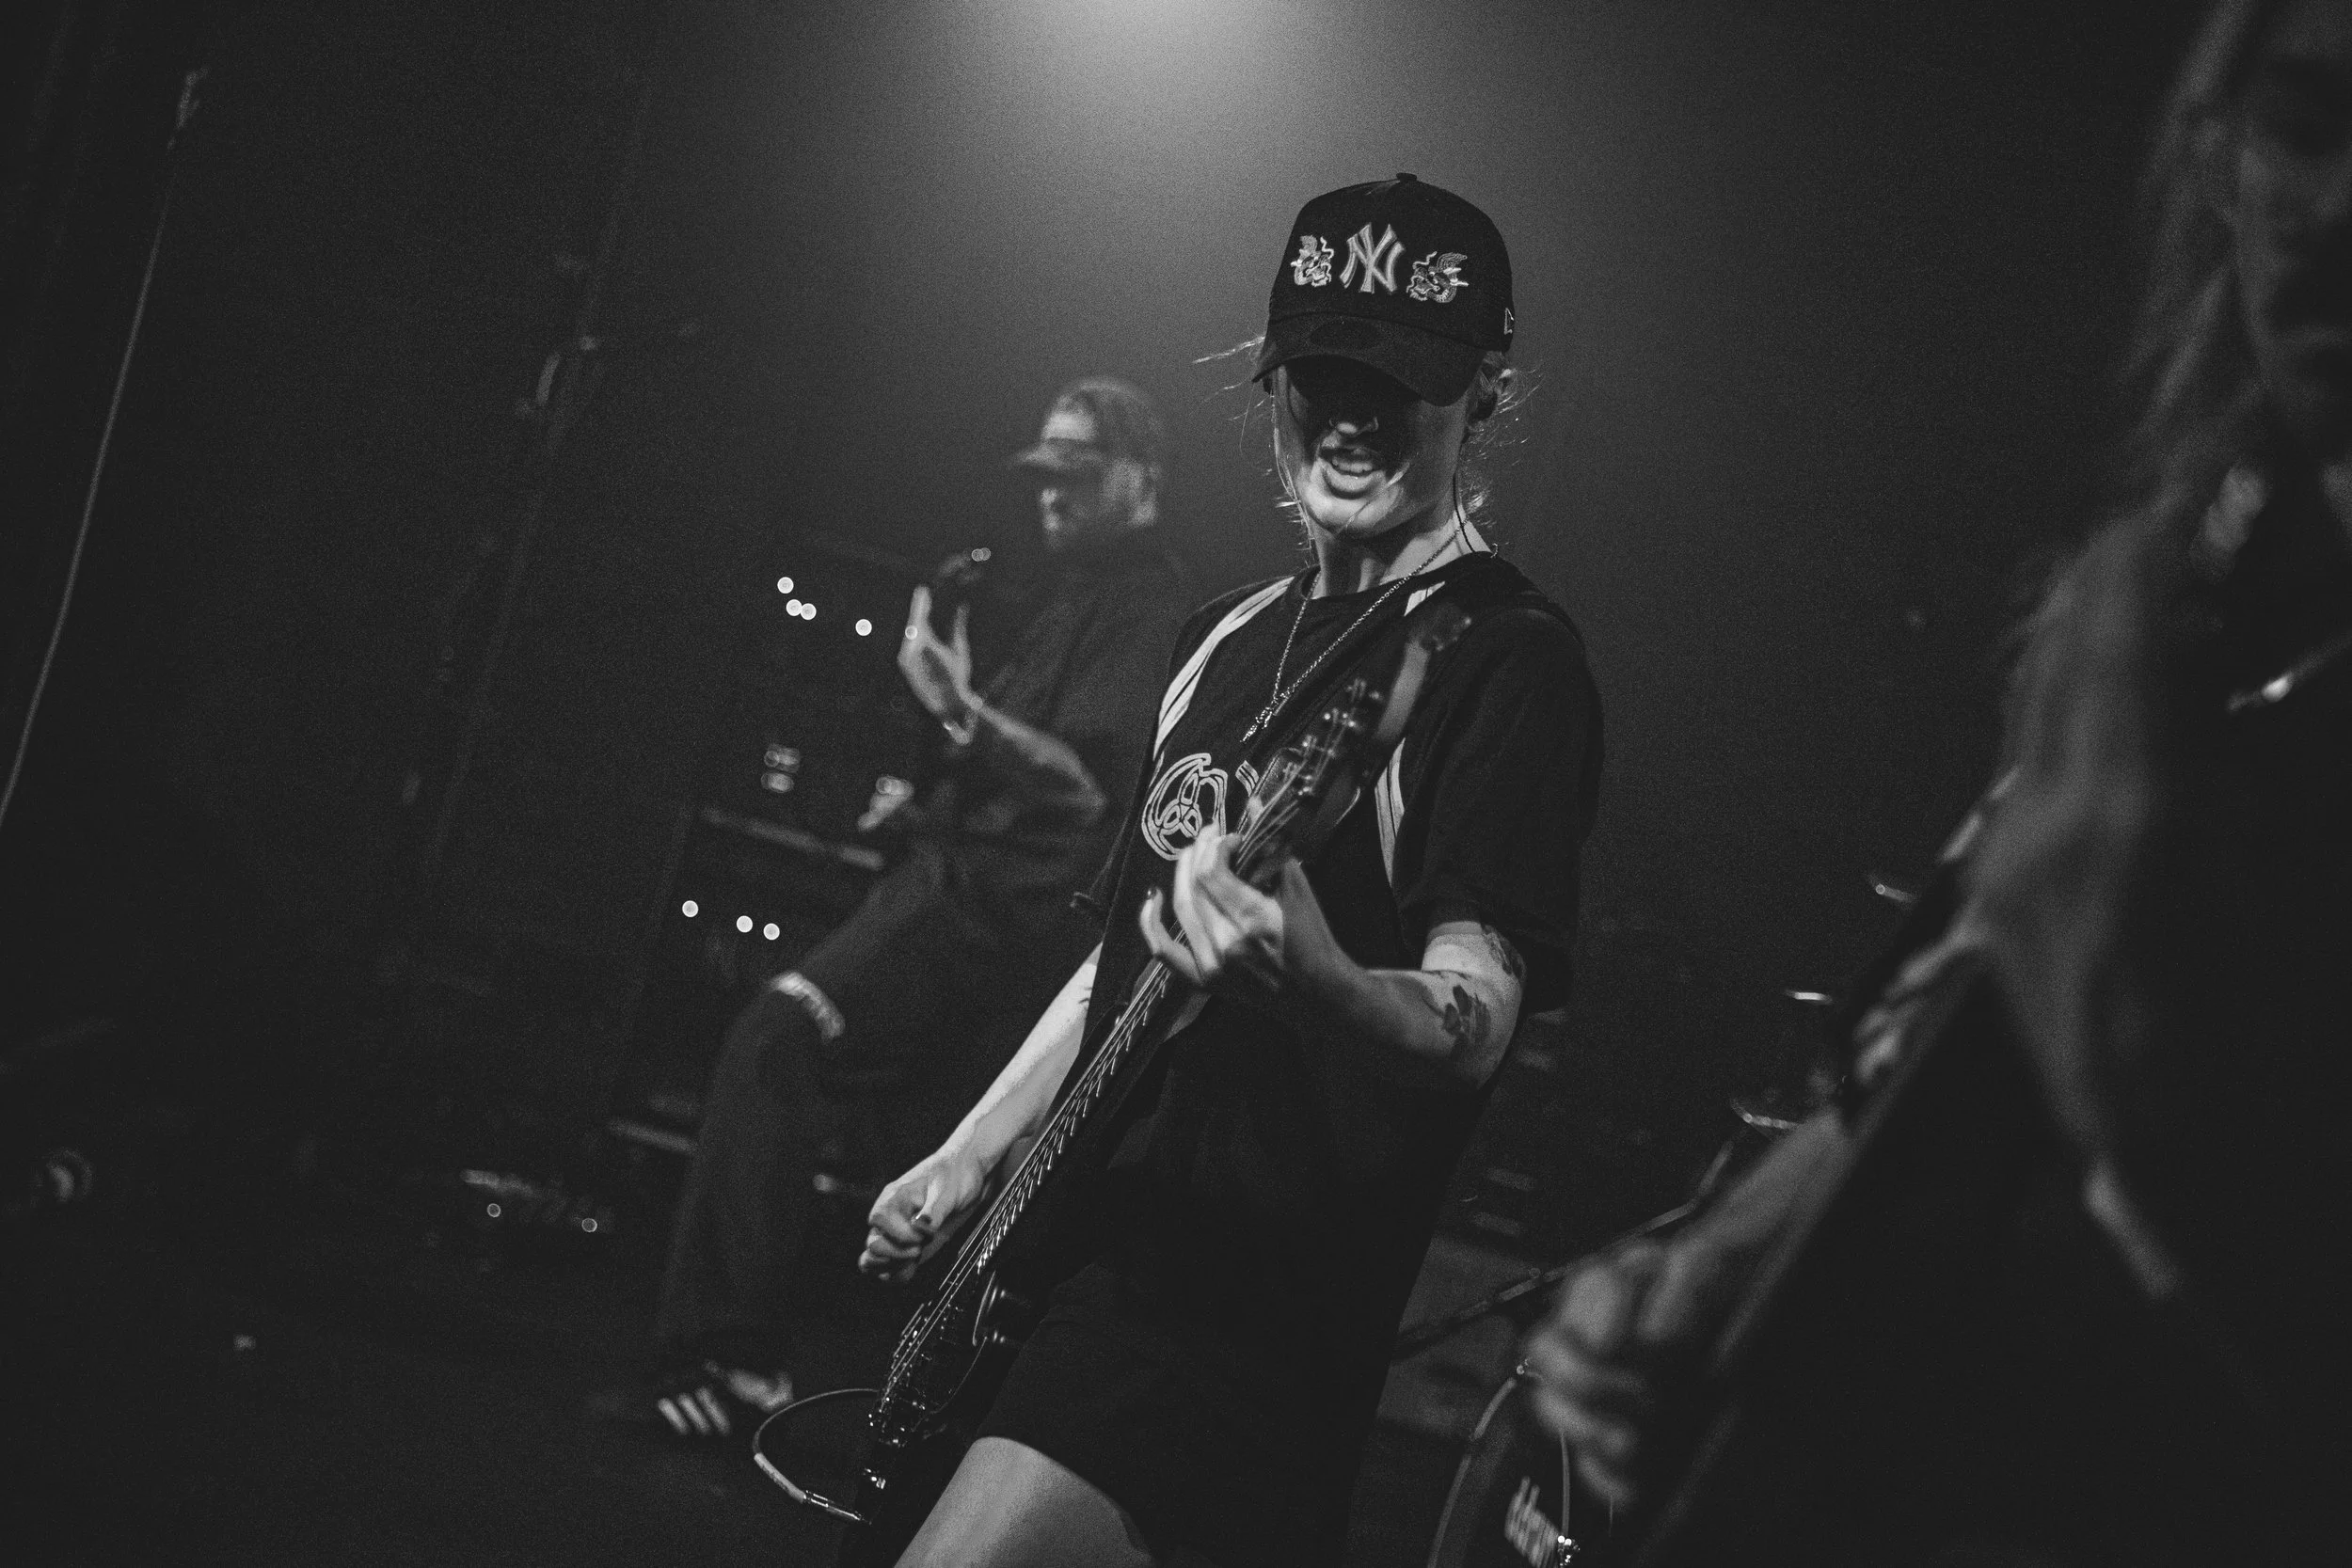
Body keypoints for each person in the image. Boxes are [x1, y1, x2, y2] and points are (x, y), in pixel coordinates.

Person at [1522, 4, 2352, 1561]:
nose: (2340, 207)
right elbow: (1968, 1028)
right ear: (2215, 157)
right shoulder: (2193, 582)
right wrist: (1709, 1269)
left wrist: (2147, 1052)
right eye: (2305, 126)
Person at [859, 175, 1603, 1568]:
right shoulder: (1220, 636)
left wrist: (1320, 977)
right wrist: (970, 1154)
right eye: (1325, 375)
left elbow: (1477, 1014)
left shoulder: (1504, 658)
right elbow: (1118, 960)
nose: (1354, 417)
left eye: (1401, 383)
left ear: (1487, 389)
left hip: (1234, 1311)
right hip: (1070, 1262)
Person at [610, 377, 1190, 1440]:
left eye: (1076, 474)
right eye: (1043, 476)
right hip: (963, 894)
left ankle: (726, 1351)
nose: (1050, 495)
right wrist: (923, 799)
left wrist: (955, 706)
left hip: (991, 917)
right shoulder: (1069, 593)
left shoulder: (1149, 610)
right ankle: (875, 1404)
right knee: (920, 1164)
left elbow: (1083, 793)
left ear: (1141, 476)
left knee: (778, 1038)